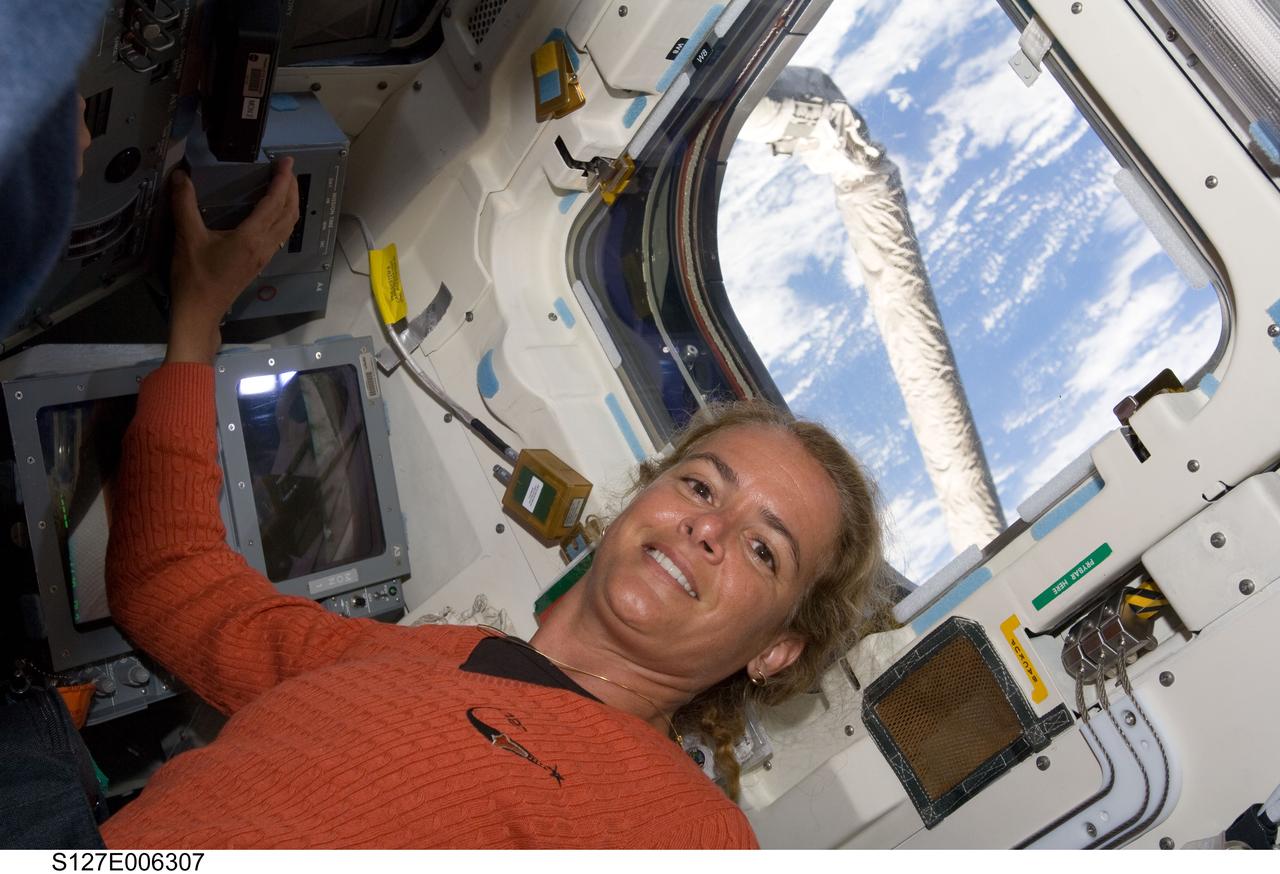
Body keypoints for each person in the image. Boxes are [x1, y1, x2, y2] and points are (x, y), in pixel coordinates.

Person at [91, 157, 889, 848]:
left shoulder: (691, 833)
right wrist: (198, 312)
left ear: (777, 650)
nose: (709, 527)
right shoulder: (419, 654)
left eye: (763, 550)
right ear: (639, 501)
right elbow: (172, 583)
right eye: (700, 484)